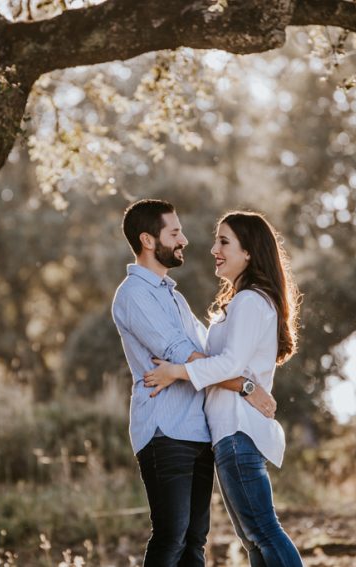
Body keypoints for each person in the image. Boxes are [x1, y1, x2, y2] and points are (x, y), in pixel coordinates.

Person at [111, 200, 278, 567]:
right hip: (164, 430)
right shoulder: (134, 294)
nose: (184, 239)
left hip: (197, 432)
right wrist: (246, 387)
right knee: (171, 536)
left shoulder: (174, 296)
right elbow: (183, 354)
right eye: (174, 232)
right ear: (148, 240)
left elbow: (209, 354)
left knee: (194, 541)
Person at [144, 211, 305, 567]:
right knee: (254, 539)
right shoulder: (243, 301)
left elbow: (229, 364)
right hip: (229, 433)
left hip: (237, 431)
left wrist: (177, 371)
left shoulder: (249, 301)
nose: (214, 249)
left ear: (248, 252)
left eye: (224, 241)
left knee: (263, 531)